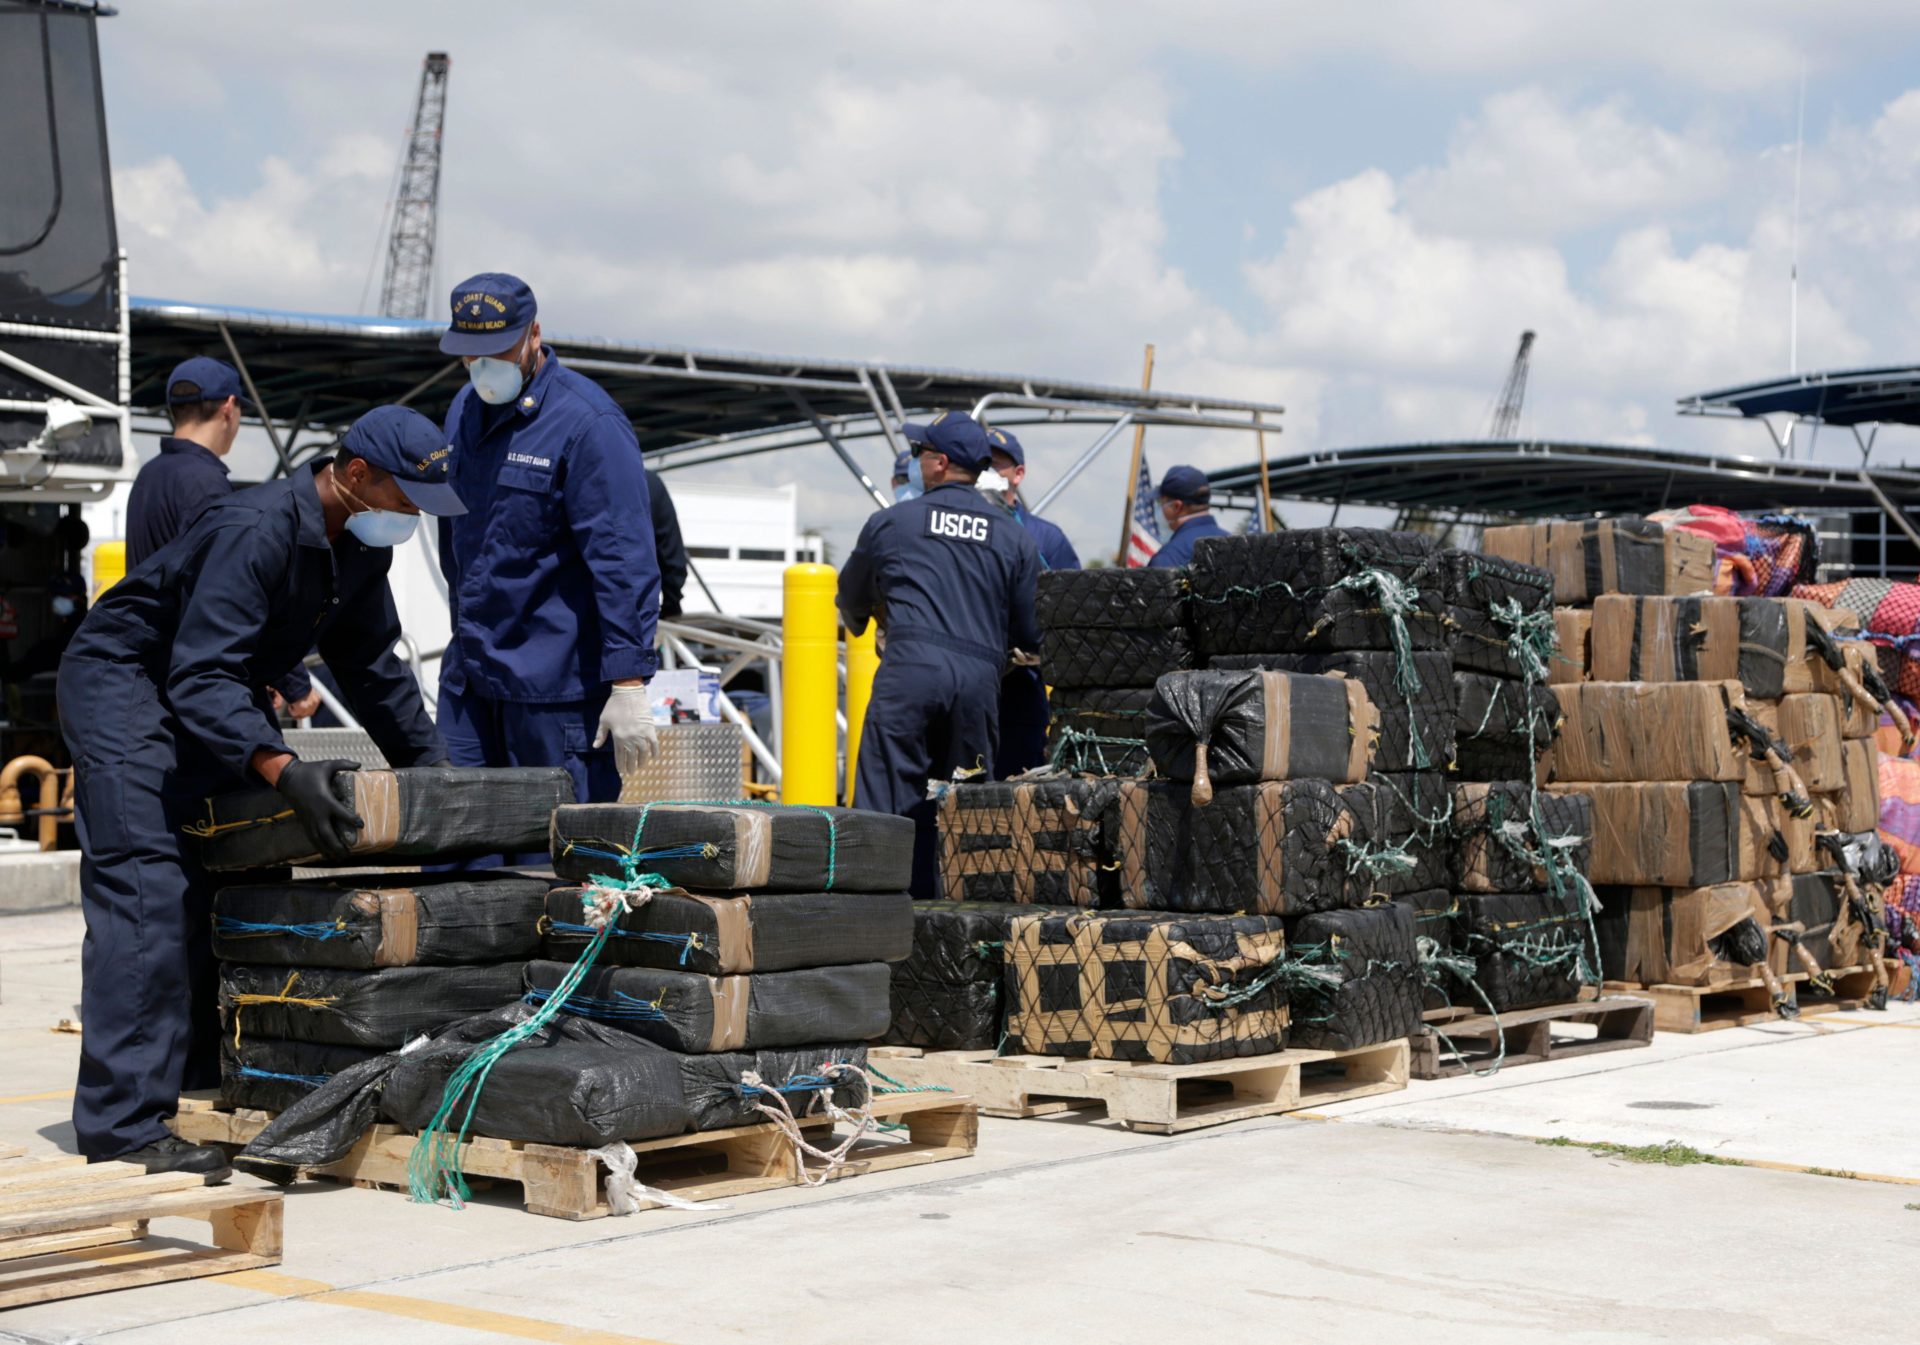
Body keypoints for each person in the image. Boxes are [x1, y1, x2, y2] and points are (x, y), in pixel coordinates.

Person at [57, 405, 465, 1176]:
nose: (412, 516)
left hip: (202, 689)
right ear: (353, 476)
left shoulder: (357, 549)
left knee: (243, 876)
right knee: (151, 886)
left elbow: (372, 665)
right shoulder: (258, 528)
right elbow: (200, 673)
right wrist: (281, 768)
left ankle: (207, 1080)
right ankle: (121, 1123)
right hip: (126, 686)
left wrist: (435, 776)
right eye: (407, 497)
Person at [435, 273, 661, 804]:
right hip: (472, 684)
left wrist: (628, 680)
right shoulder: (462, 411)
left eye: (496, 350)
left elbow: (622, 559)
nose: (481, 366)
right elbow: (458, 543)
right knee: (454, 864)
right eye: (469, 354)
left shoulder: (588, 423)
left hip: (555, 697)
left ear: (533, 334)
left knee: (554, 865)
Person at [838, 411, 1040, 897]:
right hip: (978, 684)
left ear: (938, 464)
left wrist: (866, 618)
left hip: (909, 673)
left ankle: (873, 921)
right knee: (967, 814)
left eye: (918, 453)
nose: (914, 461)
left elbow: (851, 598)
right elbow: (1030, 631)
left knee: (883, 806)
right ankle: (963, 932)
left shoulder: (891, 523)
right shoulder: (1013, 535)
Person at [127, 356, 320, 718]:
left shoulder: (149, 476)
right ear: (229, 408)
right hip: (196, 691)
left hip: (152, 680)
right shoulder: (204, 483)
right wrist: (293, 682)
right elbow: (237, 590)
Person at [981, 427, 1077, 775]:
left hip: (1022, 692)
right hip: (968, 690)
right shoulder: (962, 526)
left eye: (995, 465)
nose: (986, 473)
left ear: (1018, 474)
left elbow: (1073, 612)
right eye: (980, 464)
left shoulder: (1045, 538)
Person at [1147, 464, 1229, 568]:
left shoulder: (1168, 558)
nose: (1159, 508)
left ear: (1176, 506)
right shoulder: (1236, 544)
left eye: (1160, 502)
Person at [647, 468, 689, 620]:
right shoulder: (649, 482)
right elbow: (671, 555)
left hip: (576, 612)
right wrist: (672, 605)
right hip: (633, 610)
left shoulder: (577, 475)